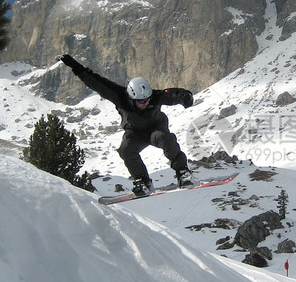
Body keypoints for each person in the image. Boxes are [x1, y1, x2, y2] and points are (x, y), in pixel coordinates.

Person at [57, 54, 194, 196]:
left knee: (166, 138)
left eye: (147, 100)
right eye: (141, 101)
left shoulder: (155, 96)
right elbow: (96, 82)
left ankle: (183, 172)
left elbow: (174, 93)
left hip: (156, 129)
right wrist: (74, 66)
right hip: (135, 133)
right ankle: (142, 181)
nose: (145, 103)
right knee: (126, 150)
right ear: (131, 97)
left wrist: (185, 97)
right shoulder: (119, 96)